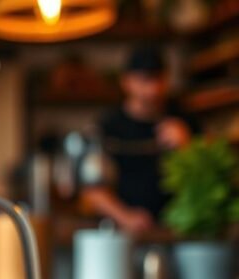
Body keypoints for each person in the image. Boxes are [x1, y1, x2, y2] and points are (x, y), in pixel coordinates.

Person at [81, 46, 201, 235]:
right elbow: (92, 190)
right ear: (126, 82)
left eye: (158, 79)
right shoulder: (108, 127)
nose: (152, 89)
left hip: (179, 233)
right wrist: (125, 216)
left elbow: (209, 181)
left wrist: (187, 146)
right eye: (144, 80)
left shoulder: (184, 122)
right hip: (122, 234)